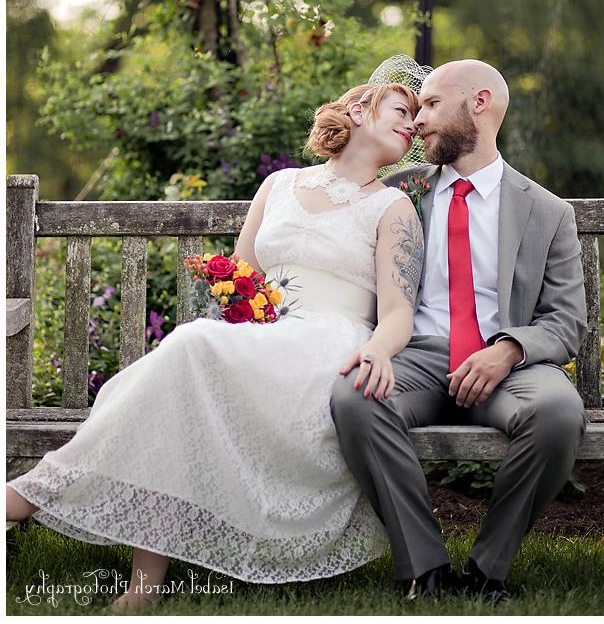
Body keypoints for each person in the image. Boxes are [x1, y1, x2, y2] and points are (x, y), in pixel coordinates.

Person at [5, 83, 425, 608]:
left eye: (415, 117)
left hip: (328, 344)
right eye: (401, 110)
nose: (411, 123)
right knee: (181, 379)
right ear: (360, 109)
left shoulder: (392, 207)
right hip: (264, 336)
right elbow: (241, 276)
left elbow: (398, 312)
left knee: (191, 345)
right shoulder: (280, 185)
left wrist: (379, 350)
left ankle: (30, 494)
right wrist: (249, 317)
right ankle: (141, 586)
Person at [330, 59, 587, 603]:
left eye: (430, 105)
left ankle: (488, 569)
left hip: (507, 367)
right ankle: (426, 569)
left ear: (480, 103)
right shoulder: (399, 194)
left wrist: (510, 350)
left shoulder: (548, 212)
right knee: (355, 397)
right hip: (416, 357)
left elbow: (566, 321)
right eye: (416, 107)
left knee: (559, 412)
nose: (417, 121)